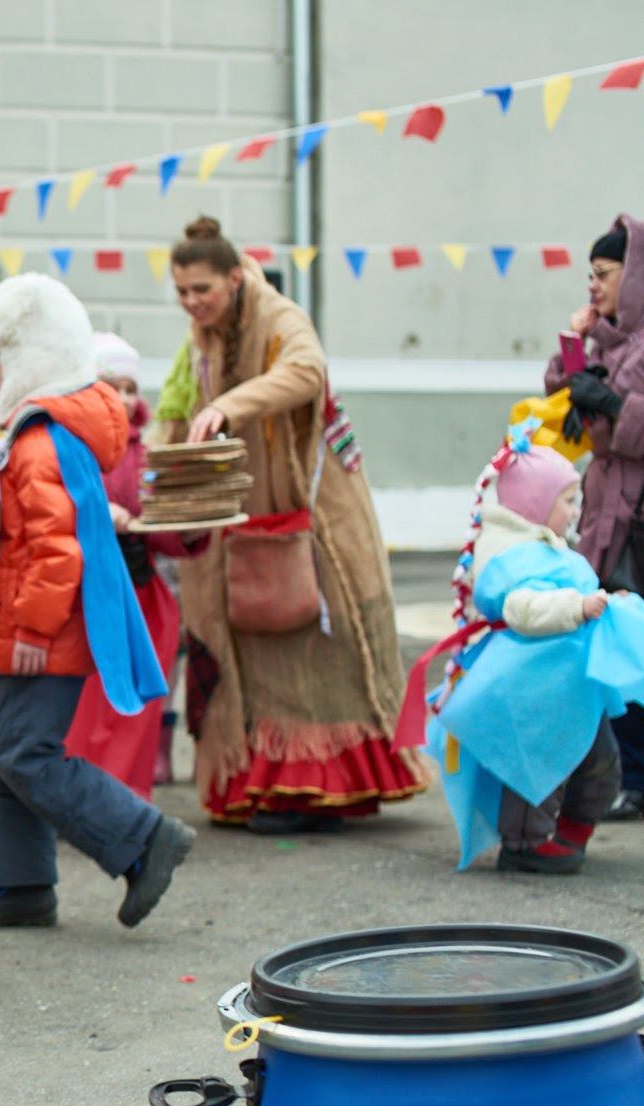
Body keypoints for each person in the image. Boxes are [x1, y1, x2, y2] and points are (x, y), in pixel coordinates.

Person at [0, 275, 193, 931]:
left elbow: (56, 551)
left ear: (32, 361)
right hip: (20, 624)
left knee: (26, 755)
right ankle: (19, 884)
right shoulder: (34, 434)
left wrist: (31, 627)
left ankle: (144, 838)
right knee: (4, 761)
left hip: (38, 632)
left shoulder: (39, 442)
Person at [164, 217, 424, 833]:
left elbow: (308, 371)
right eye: (181, 293)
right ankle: (268, 782)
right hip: (242, 514)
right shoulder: (203, 335)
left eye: (201, 290)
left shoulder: (281, 317)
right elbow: (182, 407)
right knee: (251, 654)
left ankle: (313, 789)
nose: (191, 303)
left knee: (312, 648)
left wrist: (232, 403)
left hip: (313, 517)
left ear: (234, 277)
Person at [399, 425, 644, 872]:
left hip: (571, 687)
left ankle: (572, 833)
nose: (575, 511)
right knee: (537, 768)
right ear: (534, 504)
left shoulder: (545, 546)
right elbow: (523, 607)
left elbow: (567, 591)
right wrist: (579, 605)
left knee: (599, 761)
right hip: (533, 692)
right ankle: (525, 843)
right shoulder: (511, 556)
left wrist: (602, 605)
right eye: (568, 501)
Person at [544, 216, 644, 833]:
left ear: (640, 272)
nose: (592, 286)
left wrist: (620, 408)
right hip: (612, 516)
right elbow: (563, 397)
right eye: (589, 275)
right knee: (615, 647)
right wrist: (576, 348)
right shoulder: (610, 334)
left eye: (603, 274)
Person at [61, 332, 183, 799]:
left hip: (142, 592)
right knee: (86, 707)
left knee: (135, 709)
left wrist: (187, 525)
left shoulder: (149, 455)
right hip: (87, 597)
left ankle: (125, 802)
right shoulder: (71, 447)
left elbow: (170, 536)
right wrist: (97, 517)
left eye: (131, 388)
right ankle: (82, 799)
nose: (125, 399)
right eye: (113, 387)